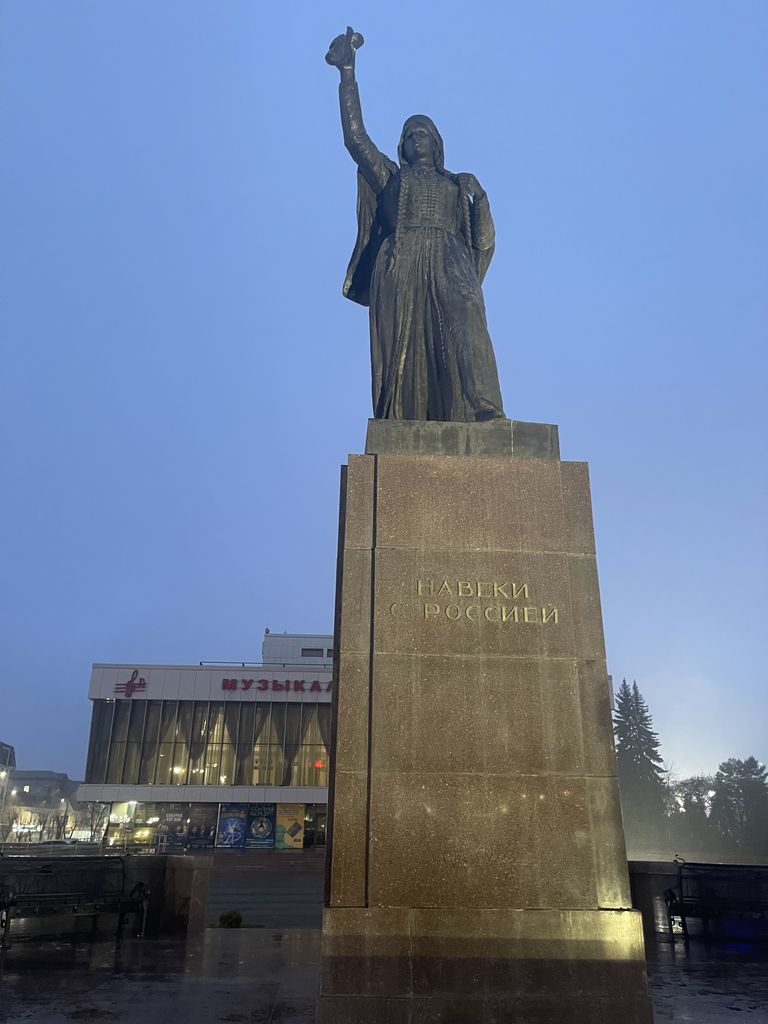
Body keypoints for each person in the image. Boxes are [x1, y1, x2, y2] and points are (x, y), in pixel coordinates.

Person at [326, 28, 507, 422]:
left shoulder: (457, 184)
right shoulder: (391, 177)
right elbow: (356, 140)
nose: (416, 138)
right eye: (409, 135)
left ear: (437, 144)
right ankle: (401, 420)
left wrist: (480, 199)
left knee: (467, 320)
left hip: (448, 258)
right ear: (402, 147)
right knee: (403, 350)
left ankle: (485, 409)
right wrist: (347, 74)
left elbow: (484, 243)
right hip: (401, 259)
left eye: (423, 133)